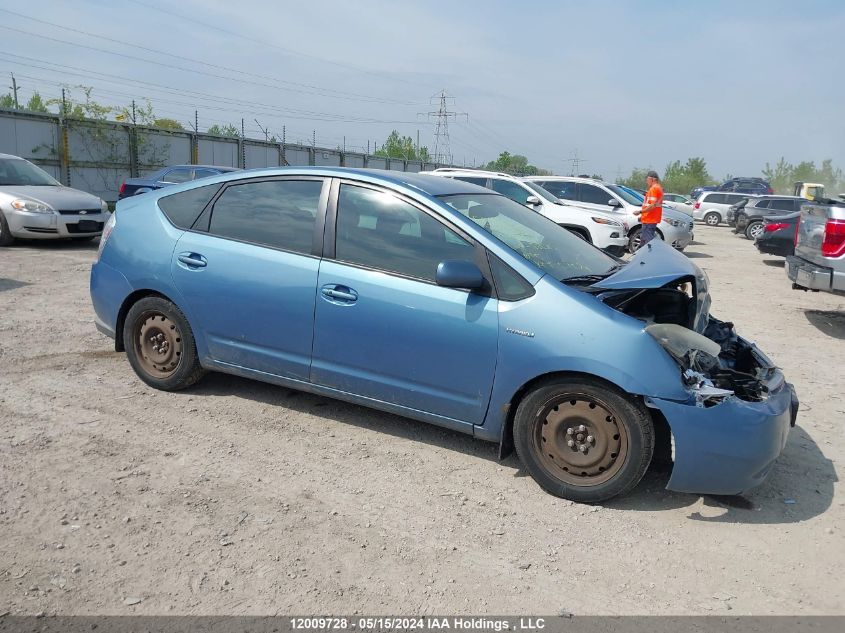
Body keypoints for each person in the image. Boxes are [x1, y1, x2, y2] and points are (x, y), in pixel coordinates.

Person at [634, 170, 663, 249]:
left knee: (648, 244)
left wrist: (640, 212)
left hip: (649, 220)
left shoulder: (654, 189)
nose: (646, 181)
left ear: (652, 179)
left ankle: (648, 259)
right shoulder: (658, 188)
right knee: (645, 243)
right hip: (650, 219)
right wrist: (643, 215)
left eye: (647, 179)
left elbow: (652, 205)